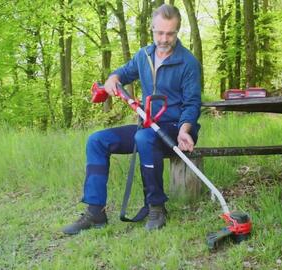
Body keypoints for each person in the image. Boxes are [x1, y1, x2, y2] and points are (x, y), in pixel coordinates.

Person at [62, 4, 201, 235]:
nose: (164, 39)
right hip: (147, 125)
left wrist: (185, 129)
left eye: (170, 33)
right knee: (97, 140)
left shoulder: (188, 62)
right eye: (159, 32)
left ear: (177, 32)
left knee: (145, 137)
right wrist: (112, 79)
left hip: (176, 129)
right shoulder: (143, 56)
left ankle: (156, 207)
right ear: (152, 29)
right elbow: (121, 74)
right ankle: (95, 211)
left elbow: (192, 104)